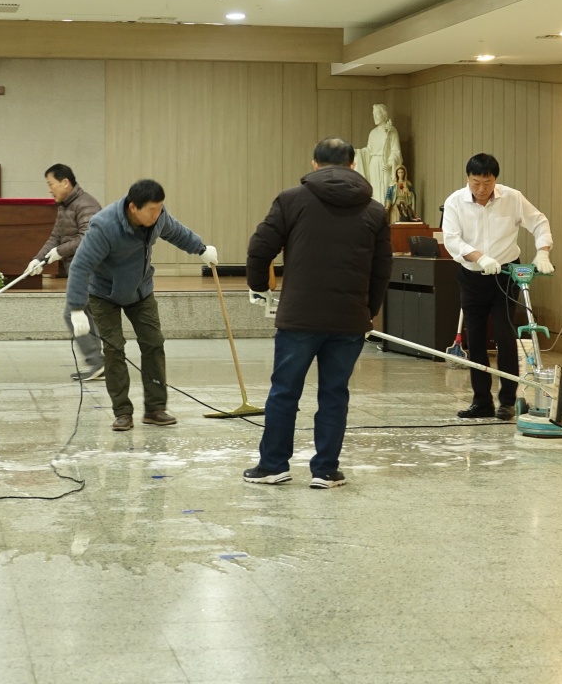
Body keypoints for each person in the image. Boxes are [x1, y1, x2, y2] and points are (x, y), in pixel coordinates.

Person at [242, 138, 391, 488]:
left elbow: (260, 247)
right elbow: (382, 268)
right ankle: (325, 470)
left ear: (314, 164)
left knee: (284, 391)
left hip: (299, 317)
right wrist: (368, 310)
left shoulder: (291, 199)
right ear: (353, 165)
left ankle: (273, 465)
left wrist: (259, 287)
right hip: (349, 318)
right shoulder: (374, 210)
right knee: (335, 393)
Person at [65, 179, 218, 431]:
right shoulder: (104, 225)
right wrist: (76, 307)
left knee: (154, 342)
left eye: (160, 208)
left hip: (140, 290)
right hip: (104, 293)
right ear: (133, 207)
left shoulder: (158, 218)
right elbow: (81, 266)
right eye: (152, 210)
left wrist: (201, 248)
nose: (157, 214)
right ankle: (122, 412)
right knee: (114, 349)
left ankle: (155, 409)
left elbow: (177, 232)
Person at [442, 153, 554, 419]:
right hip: (472, 276)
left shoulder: (512, 198)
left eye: (487, 183)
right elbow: (452, 240)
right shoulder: (455, 202)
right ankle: (481, 402)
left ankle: (507, 401)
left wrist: (543, 252)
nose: (481, 189)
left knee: (505, 337)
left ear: (495, 180)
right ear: (468, 178)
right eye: (476, 183)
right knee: (476, 340)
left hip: (505, 276)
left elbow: (539, 222)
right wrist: (479, 257)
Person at [24, 163, 104, 382]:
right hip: (79, 270)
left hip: (91, 269)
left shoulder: (86, 204)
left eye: (51, 184)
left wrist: (60, 252)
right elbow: (56, 237)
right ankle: (99, 362)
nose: (49, 190)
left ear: (65, 182)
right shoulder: (65, 205)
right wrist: (38, 259)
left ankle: (97, 361)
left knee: (73, 313)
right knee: (85, 315)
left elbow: (88, 237)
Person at [358, 103, 403, 205]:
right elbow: (369, 150)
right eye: (373, 114)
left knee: (386, 190)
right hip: (373, 164)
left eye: (377, 114)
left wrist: (390, 163)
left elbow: (396, 151)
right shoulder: (372, 133)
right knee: (375, 190)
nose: (374, 117)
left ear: (384, 114)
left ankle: (386, 211)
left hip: (384, 164)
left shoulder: (391, 131)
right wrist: (359, 153)